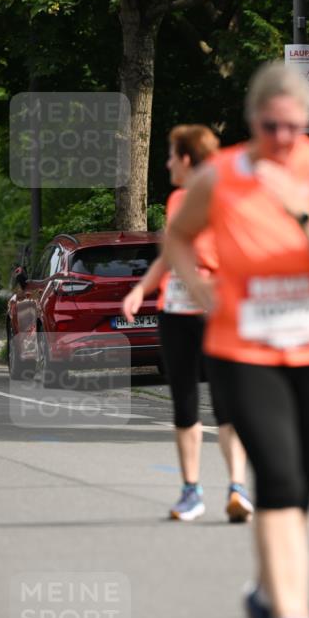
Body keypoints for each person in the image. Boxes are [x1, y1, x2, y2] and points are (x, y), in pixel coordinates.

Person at [164, 62, 309, 618]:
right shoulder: (222, 175)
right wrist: (201, 295)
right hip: (243, 350)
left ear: (305, 123)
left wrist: (302, 213)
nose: (282, 137)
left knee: (298, 493)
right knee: (277, 482)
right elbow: (177, 236)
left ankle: (263, 595)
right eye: (269, 125)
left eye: (293, 126)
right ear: (252, 121)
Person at [122, 124, 253, 524]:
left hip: (216, 309)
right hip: (176, 310)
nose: (166, 163)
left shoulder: (228, 198)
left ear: (185, 158)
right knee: (184, 400)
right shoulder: (178, 200)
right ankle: (191, 491)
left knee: (227, 401)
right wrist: (141, 289)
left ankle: (237, 489)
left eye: (170, 155)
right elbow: (169, 252)